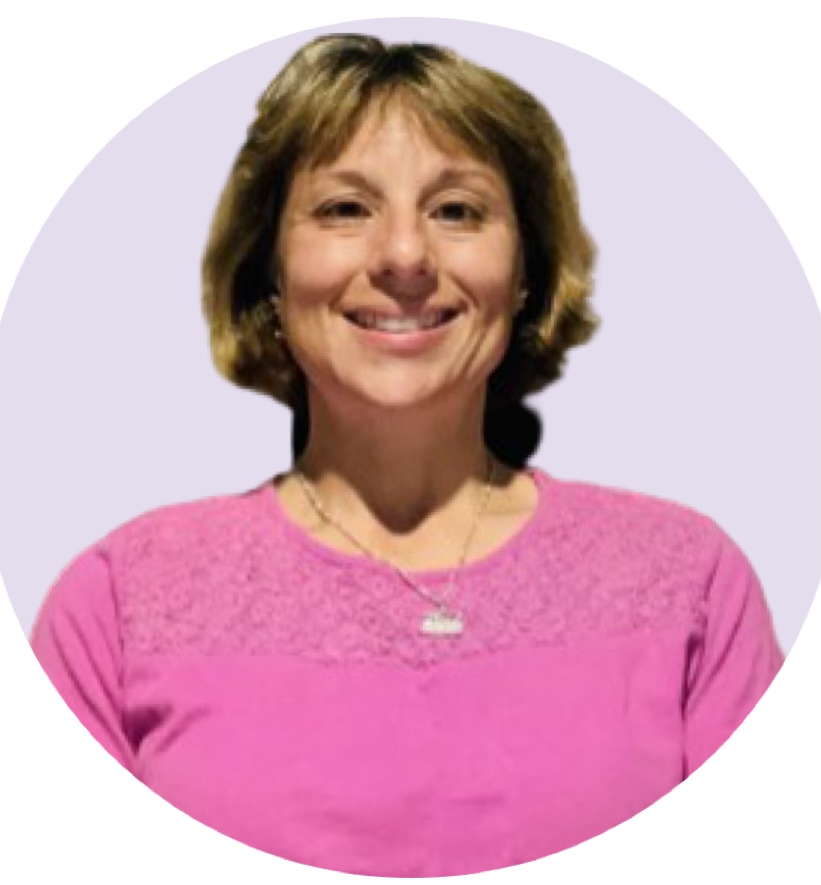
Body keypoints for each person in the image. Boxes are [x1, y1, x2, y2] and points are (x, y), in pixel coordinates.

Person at [30, 35, 783, 877]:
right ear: (270, 272)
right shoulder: (119, 608)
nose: (403, 257)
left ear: (525, 273)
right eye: (344, 208)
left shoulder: (689, 588)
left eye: (456, 210)